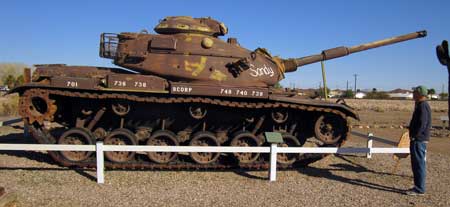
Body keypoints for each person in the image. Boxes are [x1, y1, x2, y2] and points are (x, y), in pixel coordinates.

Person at [405, 85, 431, 196]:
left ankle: (419, 189)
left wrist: (415, 135)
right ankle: (418, 187)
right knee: (416, 164)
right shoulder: (420, 105)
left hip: (418, 140)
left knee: (418, 164)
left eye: (414, 92)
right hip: (418, 139)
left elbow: (422, 124)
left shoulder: (423, 106)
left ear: (420, 94)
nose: (413, 94)